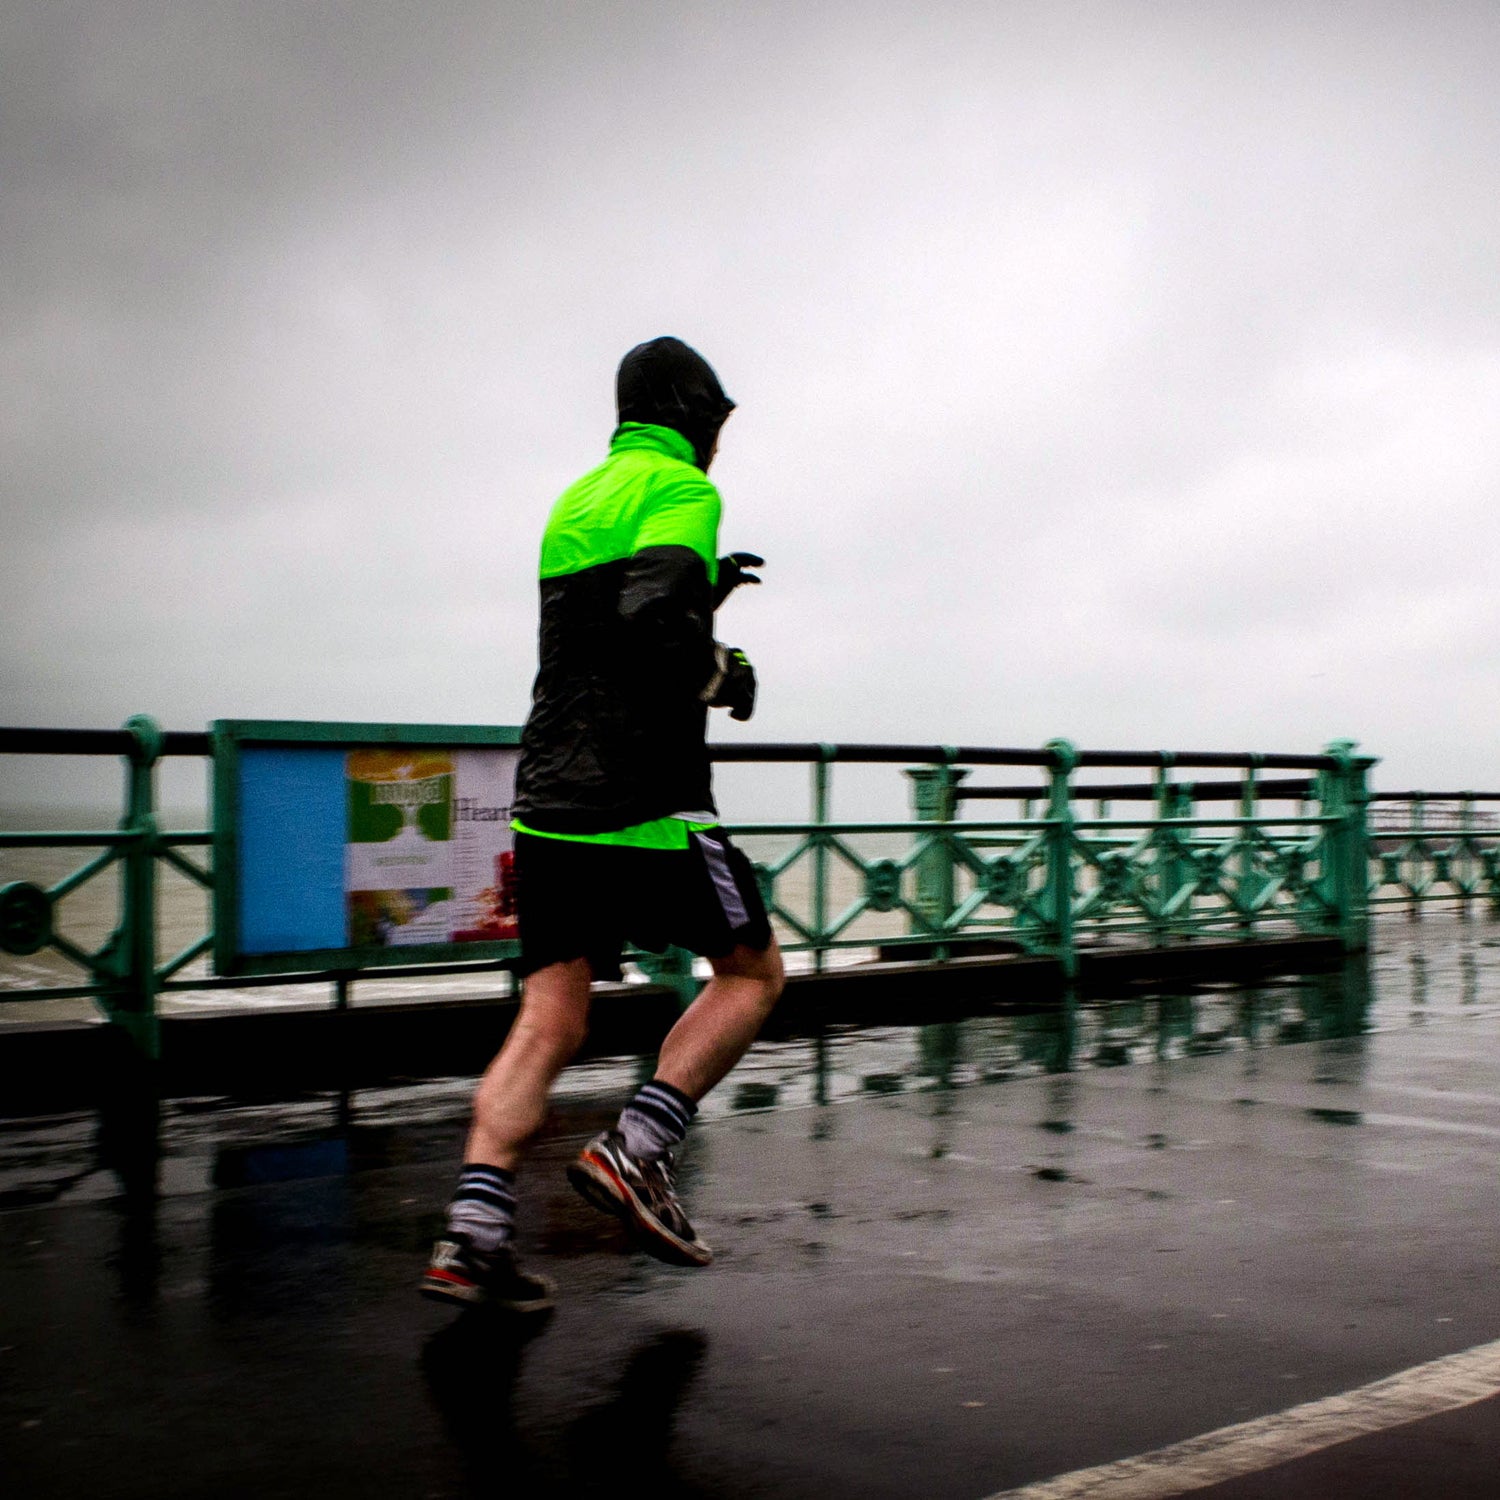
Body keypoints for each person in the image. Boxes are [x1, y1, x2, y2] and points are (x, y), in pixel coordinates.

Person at [421, 337, 785, 1313]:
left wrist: (700, 597)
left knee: (551, 1017)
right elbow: (652, 623)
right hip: (648, 804)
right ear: (688, 407)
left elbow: (602, 627)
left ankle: (474, 1232)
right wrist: (724, 671)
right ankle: (638, 1148)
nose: (718, 438)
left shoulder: (577, 499)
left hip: (548, 801)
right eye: (716, 415)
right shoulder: (684, 492)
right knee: (753, 973)